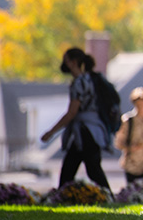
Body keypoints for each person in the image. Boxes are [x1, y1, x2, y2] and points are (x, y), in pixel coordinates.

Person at [41, 47, 112, 191]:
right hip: (92, 131)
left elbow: (72, 112)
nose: (64, 64)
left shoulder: (79, 84)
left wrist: (51, 132)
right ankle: (62, 194)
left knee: (87, 168)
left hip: (85, 132)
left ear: (73, 62)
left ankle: (107, 195)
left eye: (66, 60)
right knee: (77, 166)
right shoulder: (90, 80)